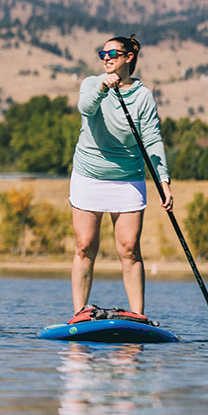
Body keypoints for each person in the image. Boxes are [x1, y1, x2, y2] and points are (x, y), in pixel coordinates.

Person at [69, 34, 173, 324]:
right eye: (103, 53)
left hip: (128, 178)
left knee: (129, 248)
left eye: (113, 53)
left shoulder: (142, 96)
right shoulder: (92, 84)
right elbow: (86, 108)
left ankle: (138, 316)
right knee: (85, 244)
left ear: (129, 57)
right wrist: (103, 87)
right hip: (89, 174)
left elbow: (152, 139)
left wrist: (163, 181)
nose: (106, 57)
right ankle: (80, 312)